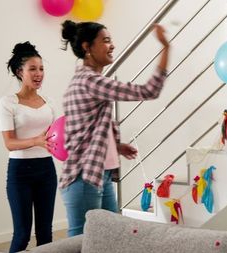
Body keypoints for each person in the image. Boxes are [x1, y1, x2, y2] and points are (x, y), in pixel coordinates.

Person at [59, 20, 170, 236]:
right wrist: (166, 48)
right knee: (81, 244)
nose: (113, 45)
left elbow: (86, 128)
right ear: (86, 47)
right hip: (84, 178)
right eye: (106, 41)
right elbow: (149, 91)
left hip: (101, 175)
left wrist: (115, 146)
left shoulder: (87, 80)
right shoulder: (90, 81)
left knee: (115, 237)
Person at [0, 42, 57, 253]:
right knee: (22, 234)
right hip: (20, 172)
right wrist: (36, 141)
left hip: (46, 170)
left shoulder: (48, 102)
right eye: (32, 69)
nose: (38, 73)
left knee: (45, 234)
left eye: (41, 69)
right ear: (19, 72)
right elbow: (9, 143)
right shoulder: (8, 103)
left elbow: (55, 137)